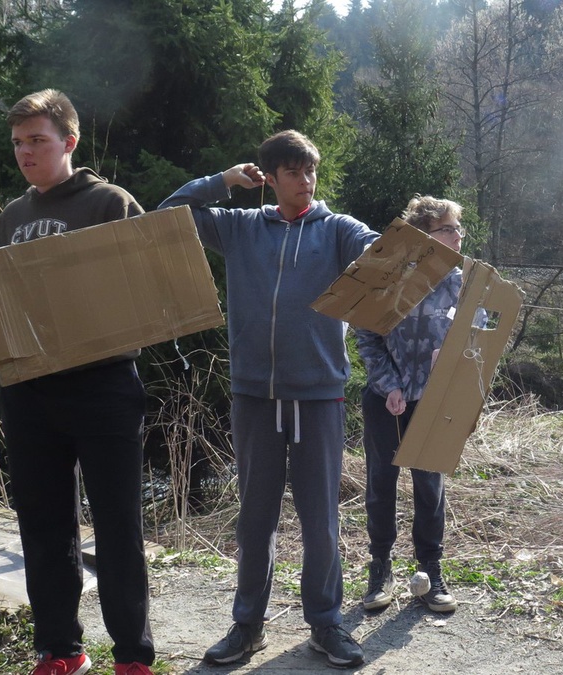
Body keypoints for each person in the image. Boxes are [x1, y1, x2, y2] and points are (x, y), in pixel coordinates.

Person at [0, 89, 155, 675]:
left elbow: (144, 284)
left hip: (104, 386)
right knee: (43, 526)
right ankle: (61, 650)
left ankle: (134, 658)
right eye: (17, 143)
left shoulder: (109, 203)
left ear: (68, 142)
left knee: (119, 527)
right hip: (31, 390)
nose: (25, 153)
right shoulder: (12, 216)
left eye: (37, 140)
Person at [158, 130, 379, 669]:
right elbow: (168, 216)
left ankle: (327, 624)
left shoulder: (338, 231)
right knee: (255, 518)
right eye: (293, 172)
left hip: (320, 398)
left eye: (310, 170)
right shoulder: (239, 228)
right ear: (271, 177)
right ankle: (247, 625)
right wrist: (221, 182)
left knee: (321, 518)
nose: (305, 180)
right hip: (254, 395)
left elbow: (382, 253)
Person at [356, 194, 471, 614]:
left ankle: (431, 573)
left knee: (430, 487)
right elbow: (366, 336)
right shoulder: (390, 279)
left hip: (435, 400)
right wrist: (389, 385)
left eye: (459, 229)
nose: (458, 236)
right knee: (381, 485)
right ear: (424, 236)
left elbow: (479, 334)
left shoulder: (463, 282)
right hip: (386, 400)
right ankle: (379, 570)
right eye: (448, 228)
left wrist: (456, 351)